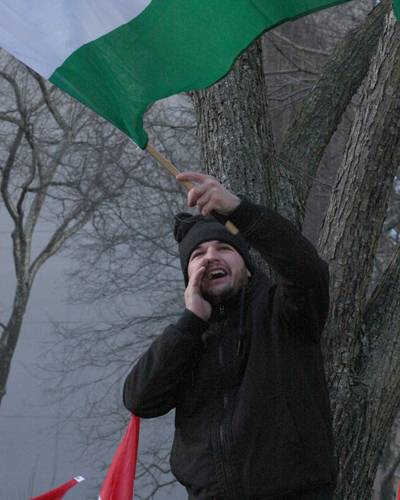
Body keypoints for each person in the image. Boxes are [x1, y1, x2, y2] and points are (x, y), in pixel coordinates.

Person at [123, 172, 337, 500]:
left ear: (248, 268)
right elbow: (140, 400)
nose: (211, 257)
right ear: (189, 278)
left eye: (223, 248)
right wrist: (190, 323)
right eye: (198, 255)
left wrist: (240, 210)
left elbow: (308, 271)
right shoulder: (186, 340)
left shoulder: (284, 311)